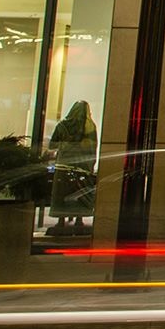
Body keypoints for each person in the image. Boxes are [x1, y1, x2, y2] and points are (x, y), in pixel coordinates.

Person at [44, 101, 97, 236]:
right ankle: (79, 219)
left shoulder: (62, 126)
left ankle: (61, 221)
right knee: (79, 193)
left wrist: (65, 146)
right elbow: (92, 148)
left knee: (62, 193)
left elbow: (52, 145)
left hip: (64, 166)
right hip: (82, 167)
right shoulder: (90, 127)